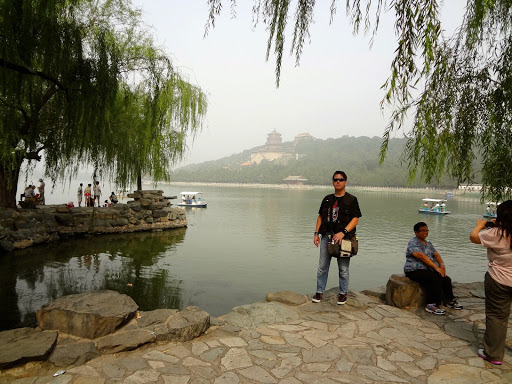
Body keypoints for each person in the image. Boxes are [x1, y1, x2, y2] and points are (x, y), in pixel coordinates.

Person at [470, 200, 512, 366]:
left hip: (499, 279)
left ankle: (493, 354)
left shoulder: (496, 233)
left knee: (497, 317)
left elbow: (473, 238)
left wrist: (480, 225)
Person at [312, 171, 362, 305]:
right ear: (333, 182)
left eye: (341, 179)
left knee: (343, 268)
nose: (338, 182)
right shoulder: (327, 199)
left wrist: (343, 232)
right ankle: (319, 291)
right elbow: (320, 217)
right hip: (327, 236)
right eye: (335, 180)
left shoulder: (352, 199)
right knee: (322, 266)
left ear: (345, 182)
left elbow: (355, 219)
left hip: (344, 238)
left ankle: (343, 293)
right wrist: (316, 234)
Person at [404, 222, 463, 315]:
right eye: (422, 230)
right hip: (414, 270)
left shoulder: (428, 244)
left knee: (445, 278)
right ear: (416, 232)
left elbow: (436, 254)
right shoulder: (413, 242)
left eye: (426, 230)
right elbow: (421, 256)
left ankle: (450, 300)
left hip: (427, 269)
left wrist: (442, 266)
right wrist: (436, 267)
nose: (425, 232)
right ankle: (431, 305)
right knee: (433, 279)